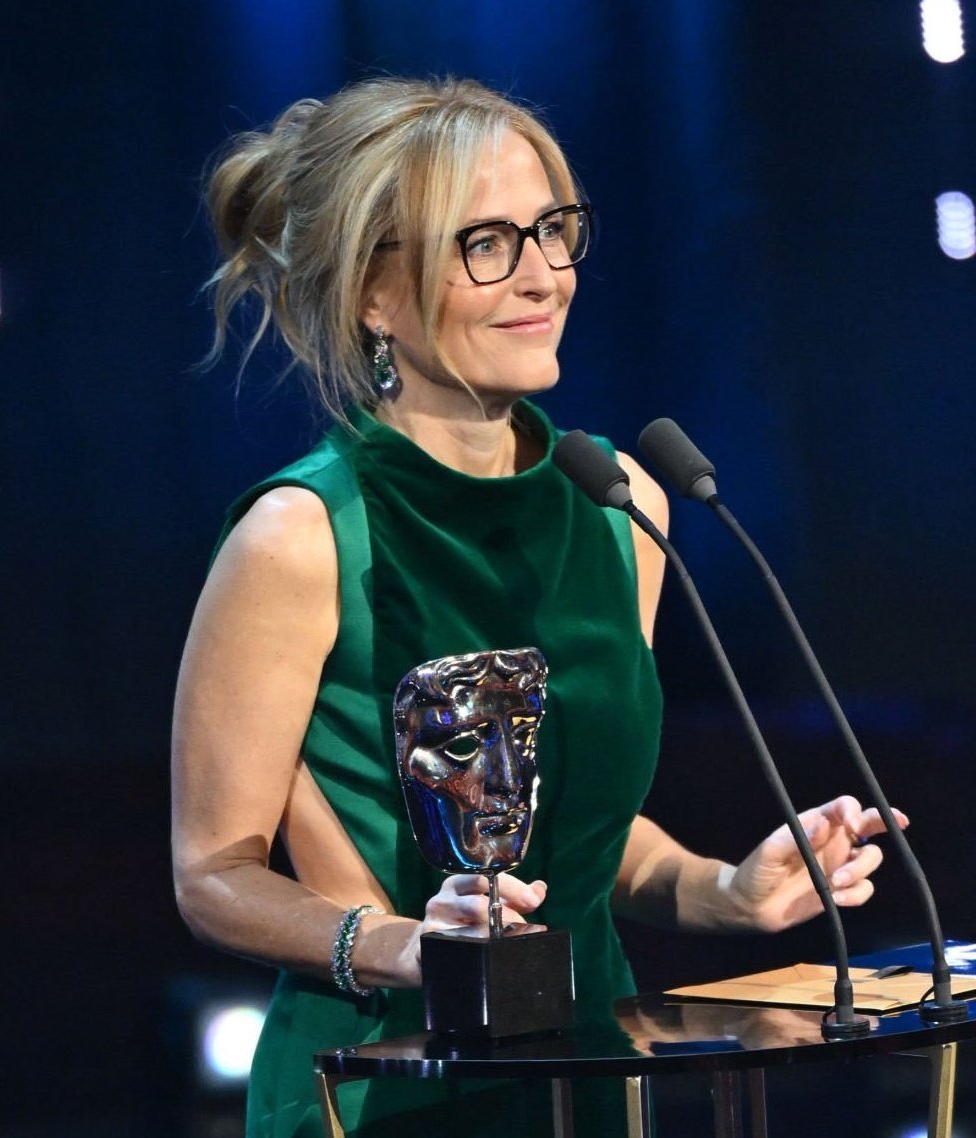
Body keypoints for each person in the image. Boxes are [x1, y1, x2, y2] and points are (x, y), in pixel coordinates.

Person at [171, 76, 901, 1138]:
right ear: (374, 294)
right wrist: (406, 946)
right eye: (486, 243)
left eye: (553, 230)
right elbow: (214, 873)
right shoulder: (302, 534)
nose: (544, 274)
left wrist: (723, 890)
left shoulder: (618, 506)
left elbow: (577, 831)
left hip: (589, 1075)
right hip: (380, 1089)